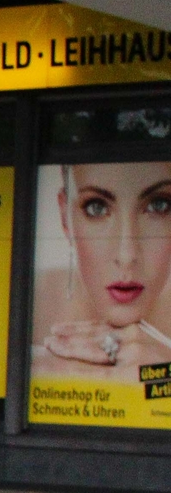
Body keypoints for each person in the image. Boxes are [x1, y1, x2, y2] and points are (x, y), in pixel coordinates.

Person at [36, 160, 171, 379]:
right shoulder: (18, 307)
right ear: (65, 216)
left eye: (159, 205)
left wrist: (163, 375)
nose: (126, 256)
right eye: (96, 207)